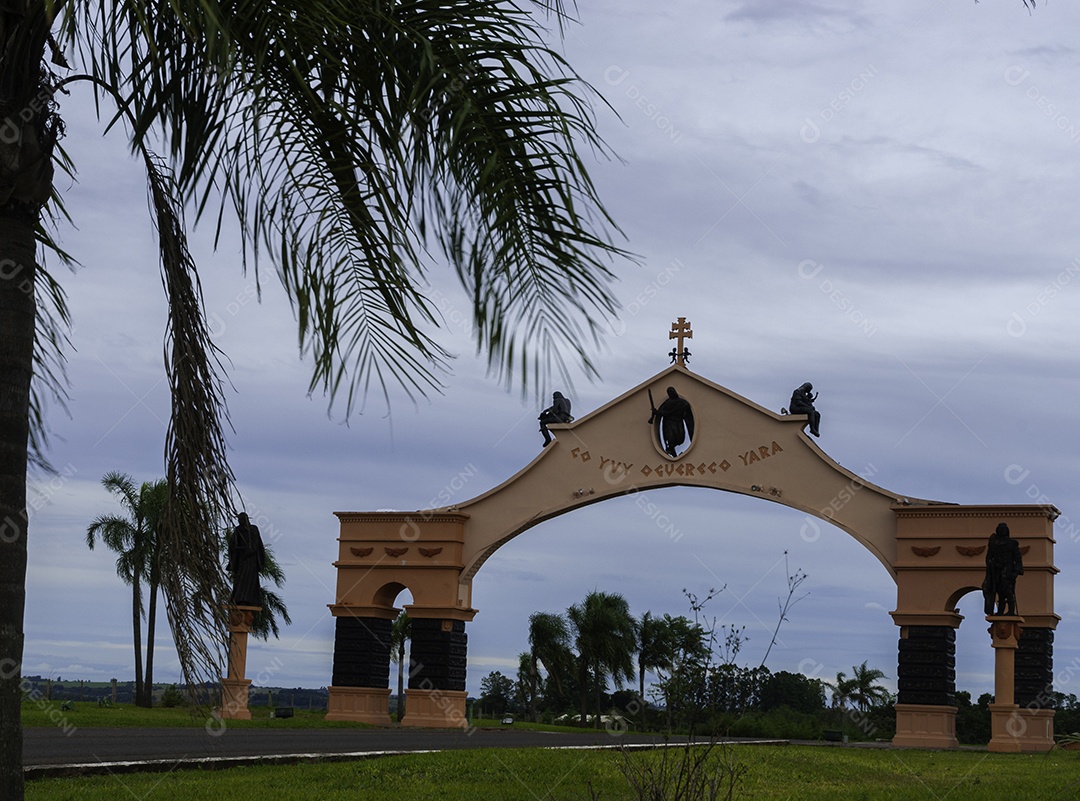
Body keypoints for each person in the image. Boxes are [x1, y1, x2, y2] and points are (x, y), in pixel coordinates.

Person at [983, 522, 1023, 616]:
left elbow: (1018, 559)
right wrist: (992, 564)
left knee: (1008, 591)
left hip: (1008, 571)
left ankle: (1011, 611)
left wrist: (1016, 572)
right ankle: (1000, 611)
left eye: (1004, 529)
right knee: (999, 591)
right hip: (996, 571)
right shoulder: (993, 544)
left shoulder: (1012, 544)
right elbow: (988, 557)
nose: (1002, 531)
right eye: (1000, 529)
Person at [228, 511, 267, 607]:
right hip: (241, 558)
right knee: (240, 578)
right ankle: (238, 598)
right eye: (239, 520)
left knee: (249, 579)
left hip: (250, 559)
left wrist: (244, 550)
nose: (240, 522)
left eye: (242, 520)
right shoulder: (238, 530)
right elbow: (232, 543)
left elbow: (254, 546)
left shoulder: (253, 529)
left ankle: (247, 599)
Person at [650, 386, 694, 458]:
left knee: (680, 438)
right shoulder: (667, 403)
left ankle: (671, 448)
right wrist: (657, 412)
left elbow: (686, 406)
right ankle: (671, 449)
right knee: (671, 438)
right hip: (669, 423)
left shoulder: (681, 402)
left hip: (678, 421)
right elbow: (663, 412)